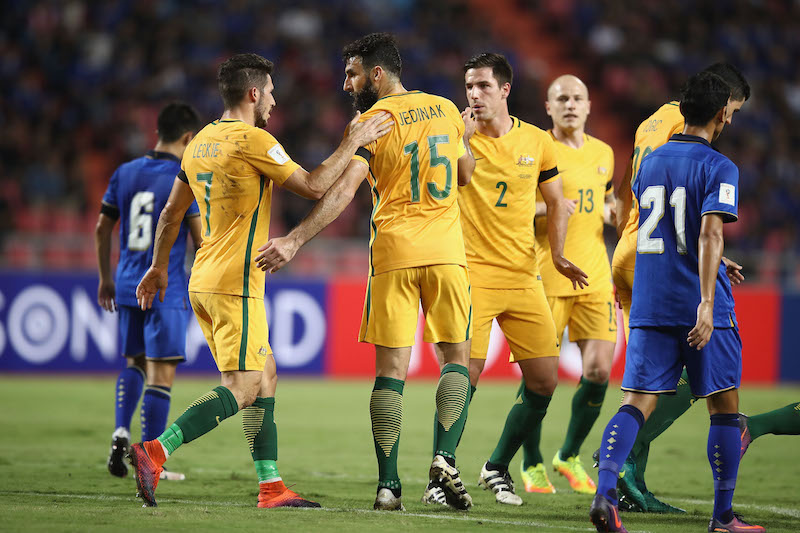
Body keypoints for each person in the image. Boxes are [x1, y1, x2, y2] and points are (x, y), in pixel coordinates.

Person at [130, 53, 392, 508]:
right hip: (236, 281)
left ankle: (271, 486)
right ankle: (156, 450)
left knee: (265, 374)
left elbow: (172, 213)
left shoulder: (201, 141)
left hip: (203, 279)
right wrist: (354, 139)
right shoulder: (255, 140)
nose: (273, 99)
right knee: (246, 386)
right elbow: (314, 185)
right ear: (253, 93)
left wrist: (156, 267)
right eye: (269, 91)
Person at [254, 33, 476, 512]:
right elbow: (466, 175)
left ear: (377, 74)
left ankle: (388, 487)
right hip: (446, 253)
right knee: (457, 358)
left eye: (353, 73)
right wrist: (466, 137)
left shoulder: (373, 121)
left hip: (394, 253)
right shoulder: (443, 108)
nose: (346, 83)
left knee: (390, 374)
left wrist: (294, 239)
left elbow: (343, 191)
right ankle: (444, 458)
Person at [589, 72, 764, 533]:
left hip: (649, 297)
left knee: (636, 402)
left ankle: (605, 494)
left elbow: (665, 228)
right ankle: (723, 517)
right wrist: (707, 302)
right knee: (724, 408)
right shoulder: (720, 166)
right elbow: (707, 230)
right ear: (724, 112)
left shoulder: (650, 161)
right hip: (695, 302)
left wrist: (715, 260)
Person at [445, 54, 587, 506]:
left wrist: (560, 254)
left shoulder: (538, 142)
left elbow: (556, 199)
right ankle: (441, 469)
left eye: (483, 86)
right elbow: (452, 182)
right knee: (464, 374)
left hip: (524, 276)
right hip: (472, 273)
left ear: (505, 90)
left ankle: (496, 465)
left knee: (545, 381)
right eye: (469, 86)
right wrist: (461, 141)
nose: (473, 94)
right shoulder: (455, 136)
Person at [519, 74, 617, 495]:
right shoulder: (538, 149)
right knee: (538, 379)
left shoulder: (604, 153)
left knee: (598, 371)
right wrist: (551, 206)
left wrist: (612, 210)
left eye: (578, 97)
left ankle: (569, 454)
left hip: (596, 276)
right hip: (547, 276)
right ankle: (531, 462)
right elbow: (514, 204)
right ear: (548, 106)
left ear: (589, 105)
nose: (571, 104)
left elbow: (607, 197)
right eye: (562, 98)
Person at [95, 102, 202, 481]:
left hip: (125, 284)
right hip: (164, 287)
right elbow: (200, 238)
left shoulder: (124, 172)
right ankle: (150, 460)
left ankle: (121, 431)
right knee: (160, 375)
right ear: (188, 138)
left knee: (133, 364)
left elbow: (101, 228)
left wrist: (106, 277)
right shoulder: (183, 175)